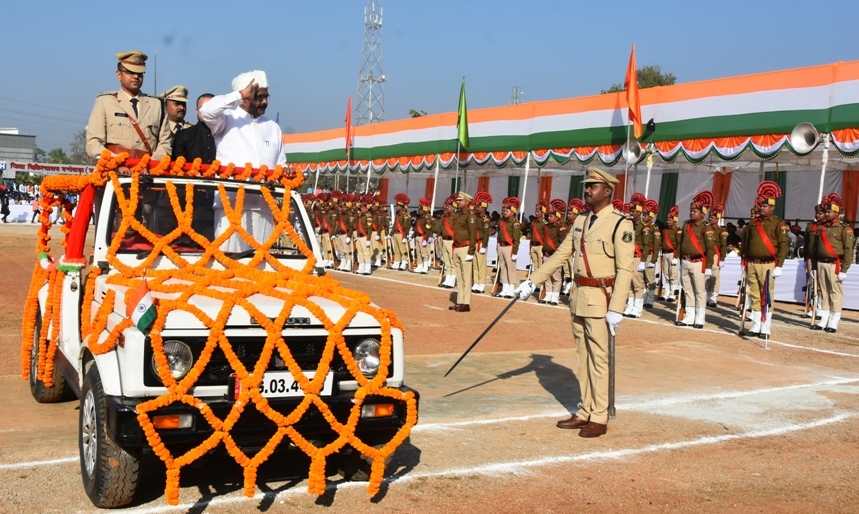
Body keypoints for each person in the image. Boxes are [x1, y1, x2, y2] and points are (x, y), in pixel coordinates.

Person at [515, 167, 634, 438]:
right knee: (583, 358)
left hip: (601, 299)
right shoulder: (581, 220)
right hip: (579, 296)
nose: (587, 190)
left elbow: (626, 269)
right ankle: (585, 409)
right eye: (587, 185)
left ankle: (600, 416)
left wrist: (617, 307)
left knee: (599, 359)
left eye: (593, 186)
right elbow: (561, 255)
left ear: (607, 191)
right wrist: (534, 280)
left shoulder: (620, 223)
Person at [86, 50, 172, 160]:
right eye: (130, 72)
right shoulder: (105, 102)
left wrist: (150, 163)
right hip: (114, 169)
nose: (136, 76)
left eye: (140, 73)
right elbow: (93, 143)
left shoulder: (157, 105)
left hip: (148, 170)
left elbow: (165, 144)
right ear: (118, 75)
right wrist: (116, 161)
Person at [199, 70, 284, 169]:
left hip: (266, 184)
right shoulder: (226, 118)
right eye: (259, 97)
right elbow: (205, 111)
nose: (265, 102)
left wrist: (286, 169)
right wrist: (241, 94)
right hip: (232, 184)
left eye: (266, 97)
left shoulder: (273, 127)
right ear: (244, 100)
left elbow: (280, 164)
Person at [739, 182, 788, 338]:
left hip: (767, 264)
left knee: (766, 294)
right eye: (760, 205)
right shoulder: (753, 223)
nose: (761, 208)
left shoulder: (779, 224)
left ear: (772, 207)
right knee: (754, 294)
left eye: (765, 206)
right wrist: (744, 259)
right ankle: (755, 325)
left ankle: (765, 327)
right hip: (752, 263)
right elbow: (746, 243)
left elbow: (783, 246)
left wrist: (779, 265)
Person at [810, 193, 855, 333]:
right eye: (825, 212)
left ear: (836, 212)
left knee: (835, 292)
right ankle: (823, 318)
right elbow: (815, 248)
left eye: (829, 212)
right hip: (821, 263)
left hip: (834, 265)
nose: (826, 214)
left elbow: (848, 249)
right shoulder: (822, 227)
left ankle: (833, 321)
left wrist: (844, 269)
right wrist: (813, 266)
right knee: (823, 292)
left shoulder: (844, 228)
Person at [675, 191, 716, 329]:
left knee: (699, 290)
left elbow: (710, 248)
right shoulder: (686, 225)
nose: (692, 213)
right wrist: (679, 260)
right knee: (688, 290)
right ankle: (689, 316)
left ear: (702, 213)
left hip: (698, 262)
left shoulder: (706, 227)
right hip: (685, 261)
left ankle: (700, 318)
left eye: (695, 211)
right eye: (691, 210)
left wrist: (709, 266)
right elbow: (681, 243)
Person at [449, 192, 477, 312]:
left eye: (460, 200)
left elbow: (473, 235)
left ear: (467, 201)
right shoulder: (459, 215)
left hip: (466, 248)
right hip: (457, 247)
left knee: (466, 277)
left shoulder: (470, 216)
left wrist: (471, 252)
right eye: (458, 200)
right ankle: (460, 301)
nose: (458, 202)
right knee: (459, 277)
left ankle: (466, 303)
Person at [537, 199, 569, 305]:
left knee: (556, 277)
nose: (549, 217)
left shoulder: (560, 229)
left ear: (557, 217)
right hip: (546, 255)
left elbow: (563, 243)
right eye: (549, 216)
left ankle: (555, 296)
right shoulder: (547, 227)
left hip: (555, 256)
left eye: (551, 216)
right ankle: (548, 295)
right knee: (547, 276)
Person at [171, 93, 217, 164]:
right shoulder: (183, 135)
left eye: (210, 108)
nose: (206, 112)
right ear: (197, 111)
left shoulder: (227, 136)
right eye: (202, 108)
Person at [622, 193, 647, 318]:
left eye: (634, 210)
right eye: (631, 210)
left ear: (640, 212)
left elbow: (647, 245)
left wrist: (643, 261)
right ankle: (630, 306)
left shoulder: (643, 227)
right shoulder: (628, 223)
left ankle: (637, 309)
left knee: (637, 284)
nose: (631, 212)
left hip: (637, 257)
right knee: (629, 283)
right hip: (628, 256)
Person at [495, 197, 522, 298]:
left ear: (512, 212)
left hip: (509, 247)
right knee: (503, 267)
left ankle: (511, 288)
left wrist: (515, 252)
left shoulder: (515, 223)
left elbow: (516, 239)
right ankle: (505, 288)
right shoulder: (501, 221)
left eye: (506, 211)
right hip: (501, 246)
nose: (504, 212)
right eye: (503, 210)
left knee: (510, 268)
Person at [705, 203, 729, 307]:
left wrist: (722, 258)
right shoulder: (705, 228)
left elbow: (723, 246)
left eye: (713, 217)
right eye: (710, 217)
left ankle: (713, 298)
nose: (711, 219)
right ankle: (705, 296)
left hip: (715, 255)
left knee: (715, 277)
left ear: (717, 218)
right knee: (705, 277)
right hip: (706, 254)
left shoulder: (721, 231)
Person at [471, 192, 493, 293]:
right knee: (475, 264)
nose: (477, 207)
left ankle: (482, 284)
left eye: (479, 206)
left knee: (481, 265)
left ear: (484, 208)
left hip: (481, 243)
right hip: (474, 242)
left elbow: (486, 233)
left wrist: (484, 245)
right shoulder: (475, 217)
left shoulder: (485, 219)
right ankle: (476, 282)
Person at [660, 206, 681, 302]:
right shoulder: (664, 230)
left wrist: (676, 257)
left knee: (674, 275)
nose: (668, 221)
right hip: (665, 254)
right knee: (666, 274)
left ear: (675, 220)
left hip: (673, 254)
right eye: (667, 219)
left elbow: (679, 244)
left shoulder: (677, 230)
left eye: (670, 219)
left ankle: (673, 294)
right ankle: (666, 293)